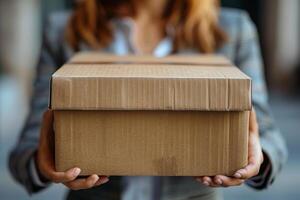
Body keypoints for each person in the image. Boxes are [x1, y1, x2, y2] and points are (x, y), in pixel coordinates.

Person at [9, 0, 288, 199]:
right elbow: (25, 152)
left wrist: (255, 156)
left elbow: (269, 137)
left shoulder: (232, 30)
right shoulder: (63, 31)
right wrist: (41, 165)